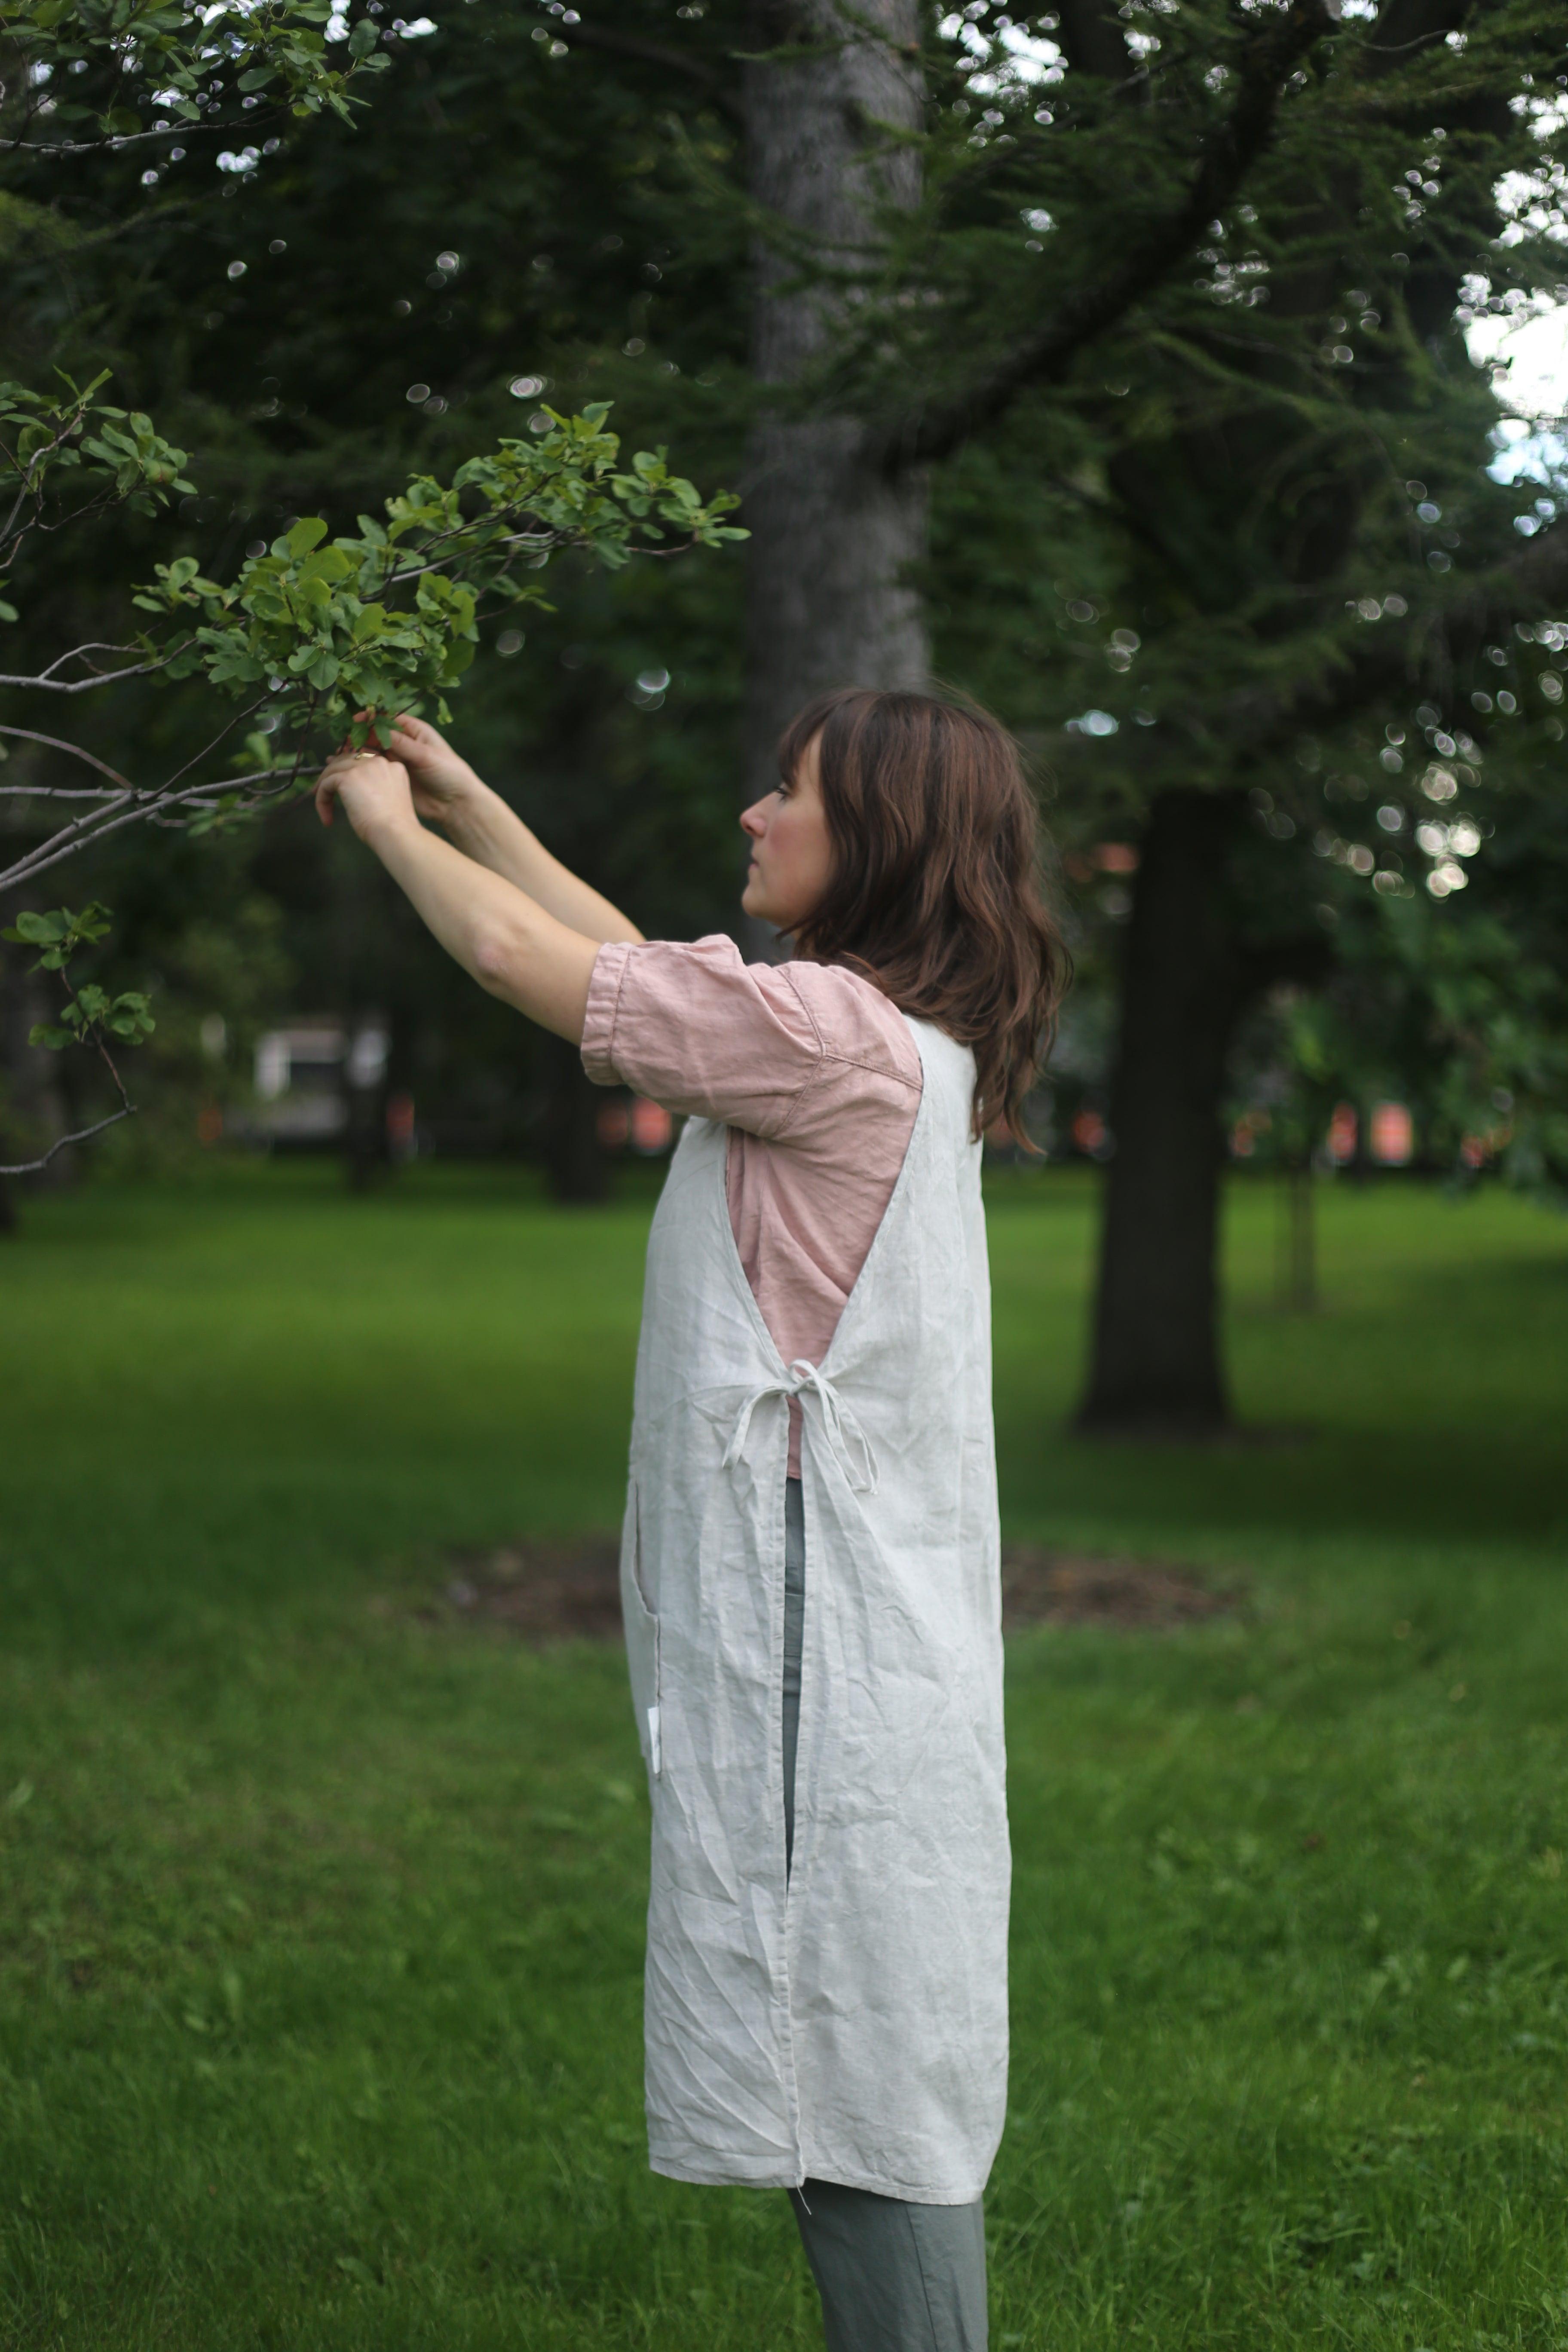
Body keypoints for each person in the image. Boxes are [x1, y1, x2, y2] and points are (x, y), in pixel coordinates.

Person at [314, 686, 1067, 2352]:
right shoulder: (863, 1036)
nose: (752, 815)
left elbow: (534, 972)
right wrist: (461, 794)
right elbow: (627, 968)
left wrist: (376, 825)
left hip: (823, 1632)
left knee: (855, 2066)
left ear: (871, 839)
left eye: (782, 793)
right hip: (850, 1623)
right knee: (846, 2039)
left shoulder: (826, 1042)